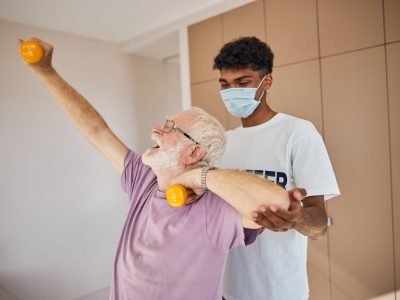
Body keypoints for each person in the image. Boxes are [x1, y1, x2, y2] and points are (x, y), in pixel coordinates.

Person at [19, 38, 296, 300]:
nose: (156, 130)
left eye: (170, 128)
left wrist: (198, 176)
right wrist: (46, 72)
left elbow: (277, 202)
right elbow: (96, 131)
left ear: (194, 152)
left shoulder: (213, 208)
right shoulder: (143, 179)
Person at [212, 36, 341, 300]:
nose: (231, 91)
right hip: (228, 290)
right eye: (225, 84)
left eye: (242, 82)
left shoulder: (298, 133)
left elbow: (319, 224)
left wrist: (296, 219)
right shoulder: (222, 143)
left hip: (282, 291)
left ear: (266, 81)